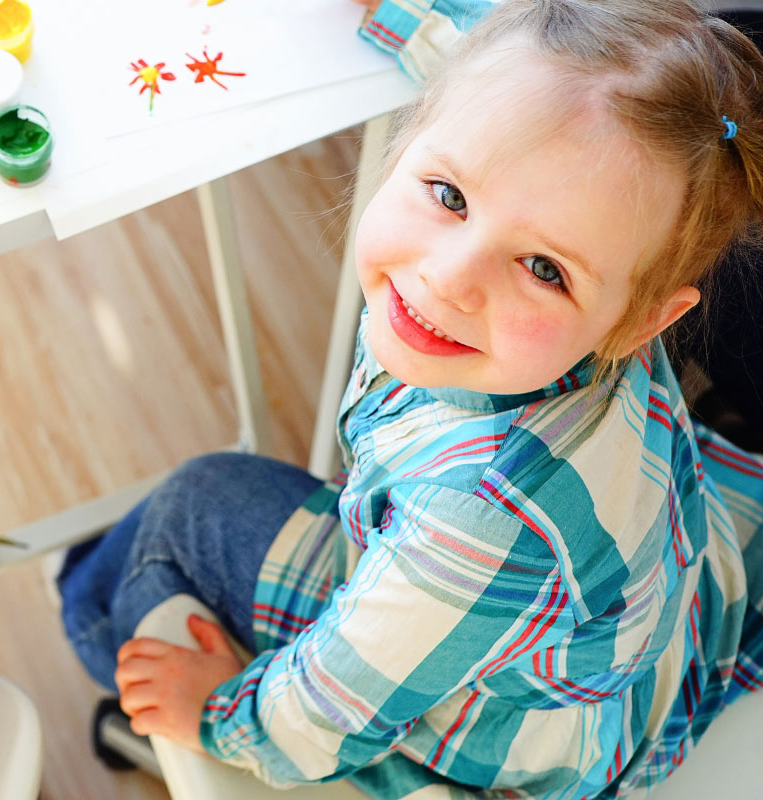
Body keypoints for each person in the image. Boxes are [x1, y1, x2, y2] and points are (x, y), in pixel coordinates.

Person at [58, 1, 763, 797]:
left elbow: (325, 713)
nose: (450, 278)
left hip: (495, 736)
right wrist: (396, 16)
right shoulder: (583, 221)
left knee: (193, 507)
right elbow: (484, 83)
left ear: (642, 322)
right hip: (608, 623)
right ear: (417, 128)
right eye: (449, 195)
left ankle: (83, 622)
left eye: (543, 269)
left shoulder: (486, 525)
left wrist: (220, 716)